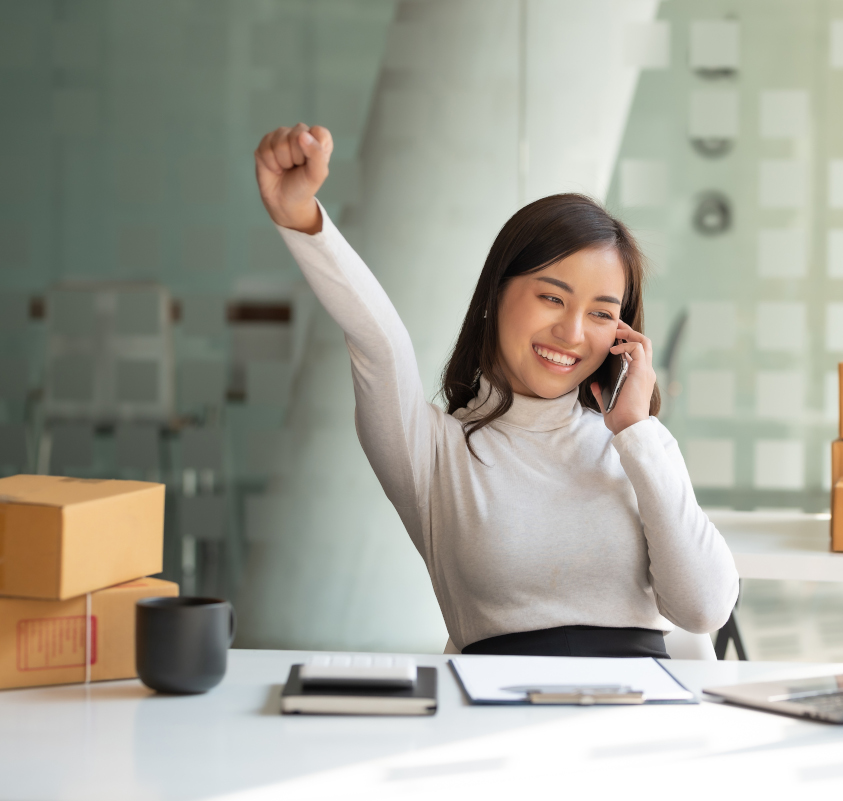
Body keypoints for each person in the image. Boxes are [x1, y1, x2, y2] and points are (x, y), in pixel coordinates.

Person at [254, 123, 739, 658]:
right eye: (552, 298)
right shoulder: (435, 452)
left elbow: (704, 609)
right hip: (499, 728)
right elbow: (379, 342)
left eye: (601, 313)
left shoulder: (635, 448)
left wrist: (637, 431)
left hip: (637, 727)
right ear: (495, 294)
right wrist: (303, 220)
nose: (573, 333)